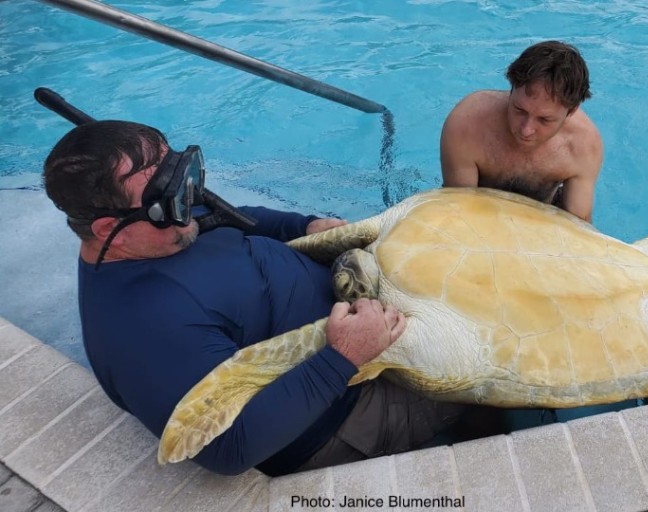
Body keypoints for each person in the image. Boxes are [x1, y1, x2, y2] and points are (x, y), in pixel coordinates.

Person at [42, 120, 467, 476]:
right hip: (347, 413)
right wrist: (345, 357)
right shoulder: (144, 326)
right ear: (105, 231)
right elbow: (228, 450)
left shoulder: (163, 226)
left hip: (361, 330)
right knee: (477, 380)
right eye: (170, 199)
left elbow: (235, 220)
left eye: (182, 173)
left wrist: (304, 226)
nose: (190, 198)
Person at [440, 40, 604, 222]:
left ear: (571, 111)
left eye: (544, 119)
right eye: (519, 110)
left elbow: (579, 227)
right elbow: (459, 212)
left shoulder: (583, 145)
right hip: (476, 211)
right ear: (511, 89)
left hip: (542, 216)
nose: (526, 130)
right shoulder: (468, 124)